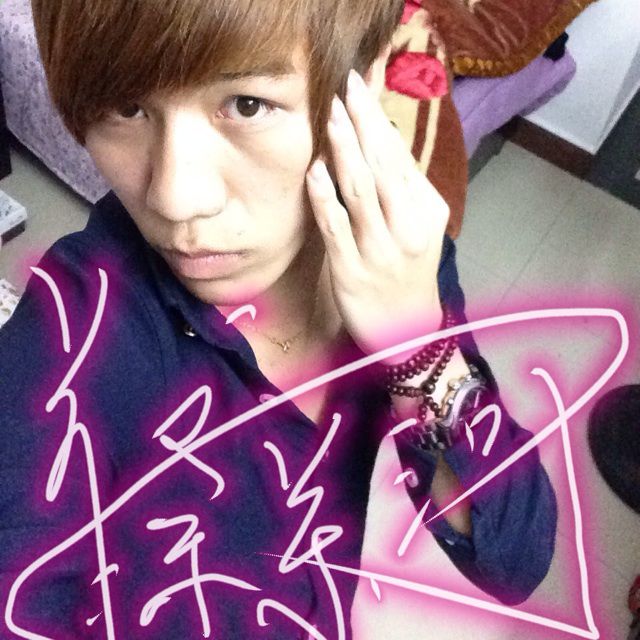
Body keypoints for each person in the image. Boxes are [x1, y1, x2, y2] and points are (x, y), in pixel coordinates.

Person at [0, 0, 557, 637]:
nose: (176, 198)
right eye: (126, 108)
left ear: (369, 75)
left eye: (247, 104)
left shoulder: (391, 252)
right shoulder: (70, 340)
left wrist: (415, 347)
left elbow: (514, 558)